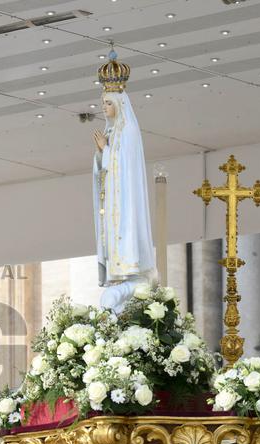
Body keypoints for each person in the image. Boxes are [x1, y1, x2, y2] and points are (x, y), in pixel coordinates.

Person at [92, 51, 156, 312]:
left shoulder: (128, 130)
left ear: (119, 103)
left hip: (124, 200)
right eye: (103, 103)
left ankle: (128, 268)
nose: (103, 108)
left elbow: (123, 168)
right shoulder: (111, 130)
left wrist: (106, 151)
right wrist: (101, 152)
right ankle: (116, 272)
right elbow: (104, 171)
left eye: (107, 103)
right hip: (112, 202)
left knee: (124, 231)